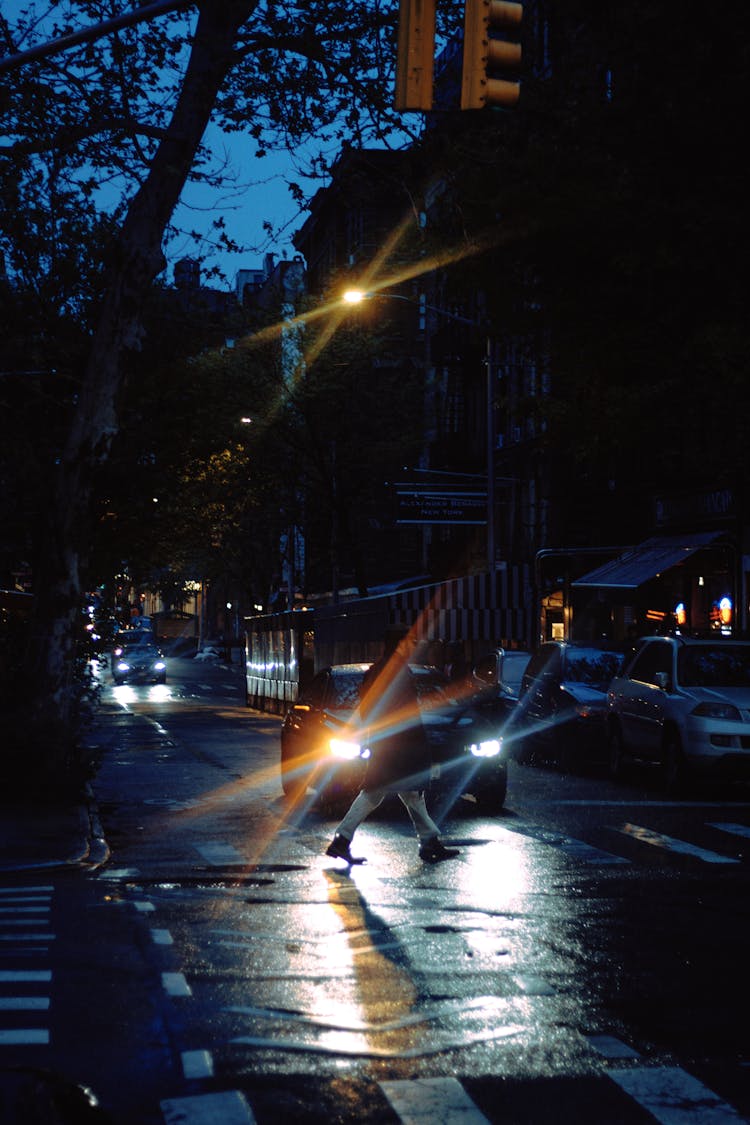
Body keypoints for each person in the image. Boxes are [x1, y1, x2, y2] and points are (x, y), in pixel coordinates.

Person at [325, 625, 459, 865]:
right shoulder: (397, 672)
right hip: (400, 744)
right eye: (409, 643)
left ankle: (428, 842)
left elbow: (369, 708)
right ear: (399, 645)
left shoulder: (379, 670)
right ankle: (428, 843)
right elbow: (405, 711)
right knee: (384, 792)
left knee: (400, 793)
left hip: (387, 741)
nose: (412, 646)